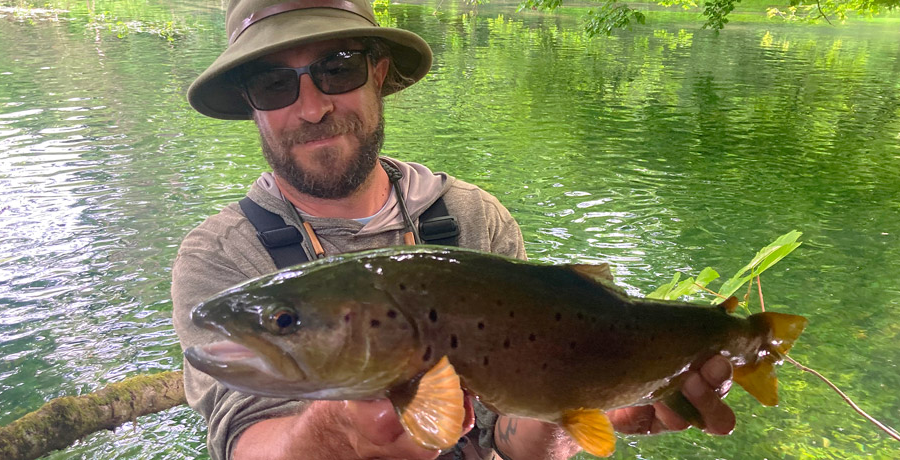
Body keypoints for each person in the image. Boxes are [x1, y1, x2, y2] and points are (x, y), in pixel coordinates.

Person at [171, 0, 736, 459]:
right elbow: (243, 442)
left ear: (378, 74)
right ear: (250, 103)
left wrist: (585, 400)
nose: (313, 107)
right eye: (273, 84)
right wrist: (342, 430)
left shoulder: (473, 216)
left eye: (338, 68)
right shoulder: (220, 256)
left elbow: (510, 440)